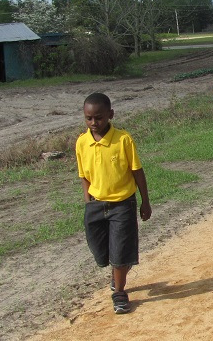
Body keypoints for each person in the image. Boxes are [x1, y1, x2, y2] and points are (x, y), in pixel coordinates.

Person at [76, 92, 152, 314]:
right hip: (96, 205)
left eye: (98, 118)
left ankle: (119, 292)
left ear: (110, 115)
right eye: (88, 118)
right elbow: (84, 175)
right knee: (101, 252)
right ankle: (119, 268)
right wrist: (88, 200)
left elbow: (137, 172)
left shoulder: (123, 140)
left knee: (119, 251)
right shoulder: (82, 142)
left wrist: (145, 202)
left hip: (122, 204)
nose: (94, 123)